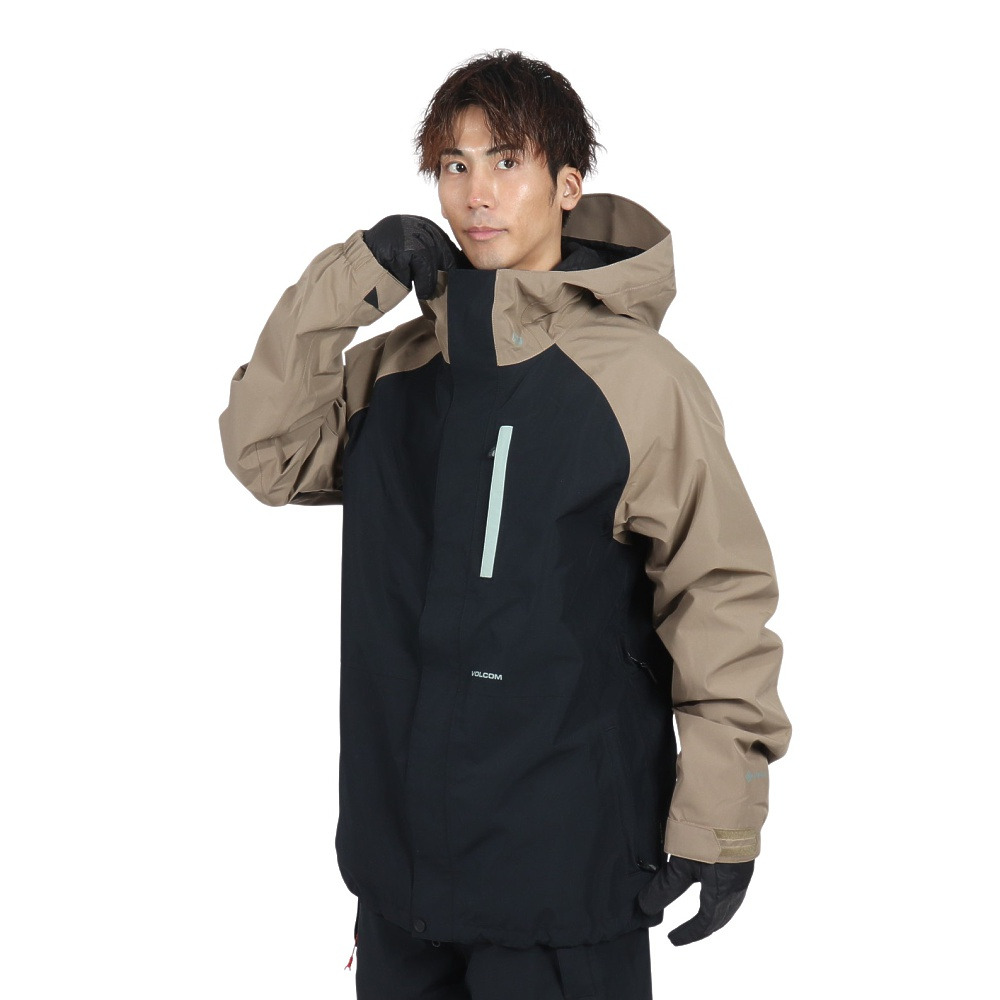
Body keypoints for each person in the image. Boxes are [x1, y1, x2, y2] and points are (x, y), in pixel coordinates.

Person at [218, 49, 792, 1000]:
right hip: (398, 875)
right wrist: (347, 282)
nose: (476, 193)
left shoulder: (638, 384)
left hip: (562, 881)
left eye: (507, 161)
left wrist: (722, 815)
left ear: (567, 184)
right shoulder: (400, 370)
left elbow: (718, 593)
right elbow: (264, 450)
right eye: (455, 165)